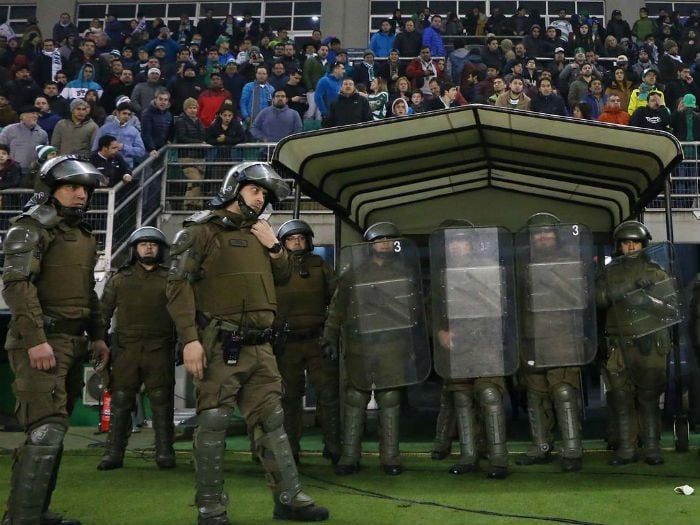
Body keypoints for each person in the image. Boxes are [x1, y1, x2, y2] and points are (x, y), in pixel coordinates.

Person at [166, 162, 329, 524]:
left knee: (273, 420)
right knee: (214, 422)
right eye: (256, 190)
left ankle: (289, 498)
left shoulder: (262, 233)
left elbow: (284, 276)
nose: (261, 199)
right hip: (220, 343)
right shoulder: (201, 231)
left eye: (265, 195)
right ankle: (211, 508)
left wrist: (273, 246)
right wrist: (190, 340)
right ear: (234, 187)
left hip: (262, 347)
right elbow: (177, 288)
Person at [2, 155, 109, 525]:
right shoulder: (30, 228)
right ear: (50, 191)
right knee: (45, 428)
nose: (80, 195)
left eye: (84, 189)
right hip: (41, 341)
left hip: (72, 341)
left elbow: (87, 291)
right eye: (71, 187)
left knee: (55, 428)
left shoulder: (81, 236)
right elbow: (16, 286)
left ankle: (36, 510)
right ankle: (24, 517)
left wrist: (98, 335)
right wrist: (35, 339)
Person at [323, 222, 430, 476]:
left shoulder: (404, 272)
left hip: (392, 346)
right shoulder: (354, 274)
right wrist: (329, 335)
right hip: (360, 346)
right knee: (355, 397)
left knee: (390, 399)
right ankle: (350, 456)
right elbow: (337, 308)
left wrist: (418, 341)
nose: (383, 244)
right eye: (379, 240)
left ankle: (390, 457)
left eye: (388, 240)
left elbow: (416, 310)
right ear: (370, 244)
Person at [429, 220, 514, 479]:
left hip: (487, 345)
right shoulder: (442, 275)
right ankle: (469, 455)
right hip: (458, 349)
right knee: (462, 399)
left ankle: (498, 457)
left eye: (461, 240)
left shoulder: (489, 269)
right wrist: (439, 331)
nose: (456, 246)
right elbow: (431, 308)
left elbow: (506, 306)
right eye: (452, 242)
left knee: (489, 395)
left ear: (470, 243)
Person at [515, 213, 595, 472]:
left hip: (563, 337)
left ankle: (572, 449)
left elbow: (583, 298)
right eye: (537, 234)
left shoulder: (571, 259)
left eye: (547, 232)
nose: (542, 237)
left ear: (556, 235)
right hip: (532, 339)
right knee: (536, 396)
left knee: (563, 393)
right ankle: (542, 447)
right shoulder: (521, 262)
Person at [596, 221, 677, 466]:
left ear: (643, 244)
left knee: (649, 396)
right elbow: (599, 300)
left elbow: (673, 311)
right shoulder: (608, 273)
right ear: (618, 246)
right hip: (618, 343)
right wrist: (628, 287)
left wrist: (648, 302)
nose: (630, 246)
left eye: (635, 242)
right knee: (621, 397)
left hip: (649, 343)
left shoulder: (656, 272)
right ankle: (627, 447)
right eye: (625, 242)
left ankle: (652, 447)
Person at [97, 227, 175, 471]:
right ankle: (113, 453)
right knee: (120, 400)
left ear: (160, 249)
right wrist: (99, 342)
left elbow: (185, 314)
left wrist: (185, 343)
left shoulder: (171, 279)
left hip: (160, 348)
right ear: (135, 249)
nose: (148, 247)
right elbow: (103, 314)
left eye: (153, 244)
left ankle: (164, 452)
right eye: (143, 244)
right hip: (126, 349)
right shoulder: (119, 279)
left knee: (162, 400)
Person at [274, 220, 340, 463]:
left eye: (301, 238)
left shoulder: (320, 265)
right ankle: (290, 449)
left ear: (309, 241)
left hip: (317, 339)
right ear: (283, 243)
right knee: (288, 398)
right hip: (286, 343)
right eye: (291, 239)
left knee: (329, 394)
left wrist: (330, 333)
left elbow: (337, 297)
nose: (297, 242)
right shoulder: (276, 267)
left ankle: (333, 447)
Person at [0, 105, 48, 176]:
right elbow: (1, 149)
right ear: (22, 117)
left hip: (33, 172)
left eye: (36, 114)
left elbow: (45, 154)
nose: (35, 116)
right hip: (11, 171)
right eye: (32, 113)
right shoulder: (9, 130)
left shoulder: (42, 134)